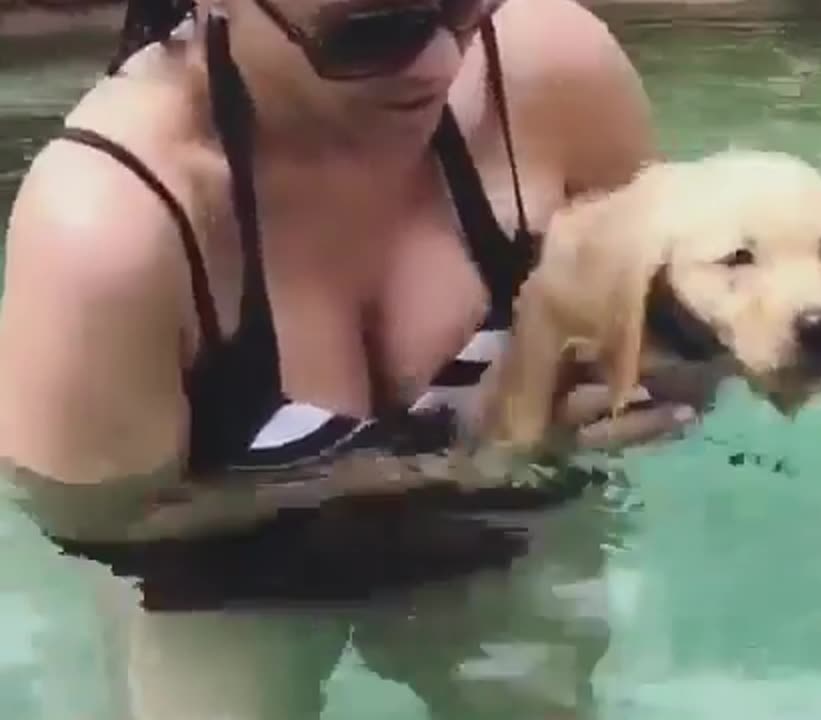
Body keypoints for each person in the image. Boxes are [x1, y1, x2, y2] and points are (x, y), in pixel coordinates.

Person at [0, 0, 701, 716]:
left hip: (503, 516)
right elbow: (103, 525)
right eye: (371, 31)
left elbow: (688, 318)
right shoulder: (112, 226)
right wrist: (459, 464)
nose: (441, 62)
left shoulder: (550, 78)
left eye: (464, 4)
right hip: (220, 567)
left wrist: (669, 369)